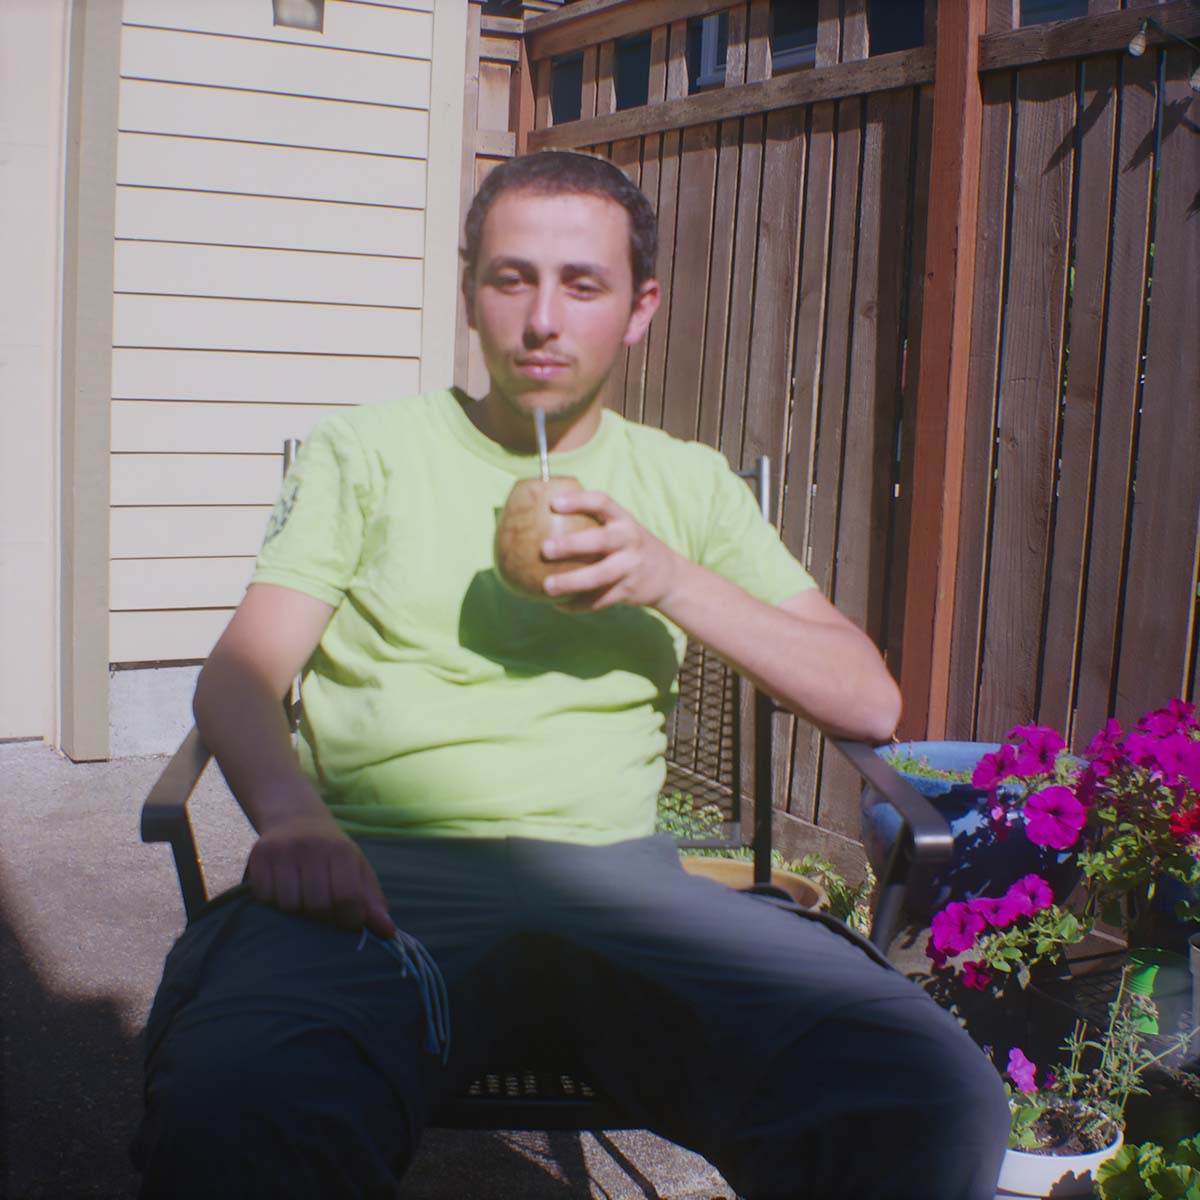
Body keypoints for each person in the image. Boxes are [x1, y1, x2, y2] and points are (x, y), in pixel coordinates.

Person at [133, 151, 1009, 1199]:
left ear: (638, 309)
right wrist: (292, 819)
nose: (543, 319)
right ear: (470, 293)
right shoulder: (366, 454)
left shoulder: (684, 484)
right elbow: (238, 677)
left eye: (581, 285)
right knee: (235, 1110)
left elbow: (868, 699)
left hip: (625, 886)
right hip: (382, 888)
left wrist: (667, 574)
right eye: (512, 278)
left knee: (914, 1094)